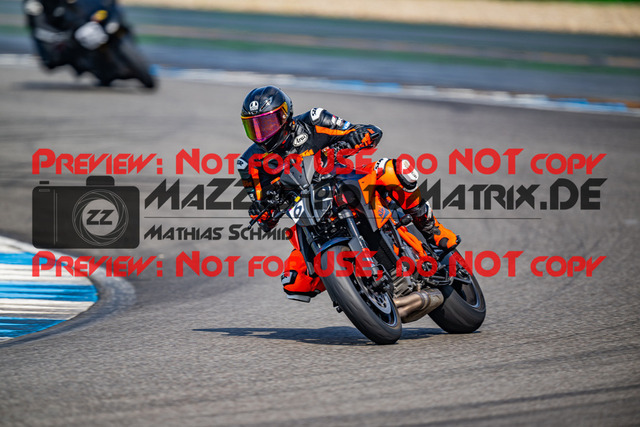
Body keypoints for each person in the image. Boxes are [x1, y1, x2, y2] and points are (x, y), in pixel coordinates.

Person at [238, 86, 458, 302]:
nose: (261, 133)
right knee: (294, 283)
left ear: (285, 115)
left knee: (394, 171)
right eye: (253, 127)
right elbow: (264, 216)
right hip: (307, 216)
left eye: (266, 124)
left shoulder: (314, 120)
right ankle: (354, 290)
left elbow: (369, 131)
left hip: (346, 184)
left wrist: (350, 141)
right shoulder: (249, 163)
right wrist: (261, 209)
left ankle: (432, 231)